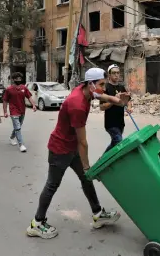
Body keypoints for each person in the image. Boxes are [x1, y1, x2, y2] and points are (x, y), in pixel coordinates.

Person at [26, 68, 131, 239]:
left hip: (71, 146)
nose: (104, 88)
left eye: (104, 84)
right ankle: (37, 223)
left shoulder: (86, 91)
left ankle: (97, 214)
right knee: (52, 185)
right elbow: (83, 142)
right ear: (91, 84)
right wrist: (87, 166)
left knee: (86, 179)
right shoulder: (77, 105)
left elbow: (102, 96)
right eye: (101, 84)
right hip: (60, 149)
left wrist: (118, 101)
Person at [99, 64, 132, 153]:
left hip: (120, 122)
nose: (116, 75)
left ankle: (104, 160)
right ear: (109, 75)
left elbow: (128, 100)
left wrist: (129, 107)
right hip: (110, 123)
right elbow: (102, 107)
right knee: (119, 141)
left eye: (118, 73)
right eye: (114, 73)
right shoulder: (105, 88)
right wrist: (114, 100)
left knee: (115, 143)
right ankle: (103, 160)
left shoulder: (122, 87)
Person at [2, 72, 37, 152]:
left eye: (20, 78)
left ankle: (11, 138)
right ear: (13, 79)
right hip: (13, 110)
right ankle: (21, 145)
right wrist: (5, 112)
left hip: (22, 110)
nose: (19, 80)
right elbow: (5, 101)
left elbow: (29, 97)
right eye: (17, 78)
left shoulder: (24, 88)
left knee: (18, 126)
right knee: (17, 127)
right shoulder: (8, 89)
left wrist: (33, 105)